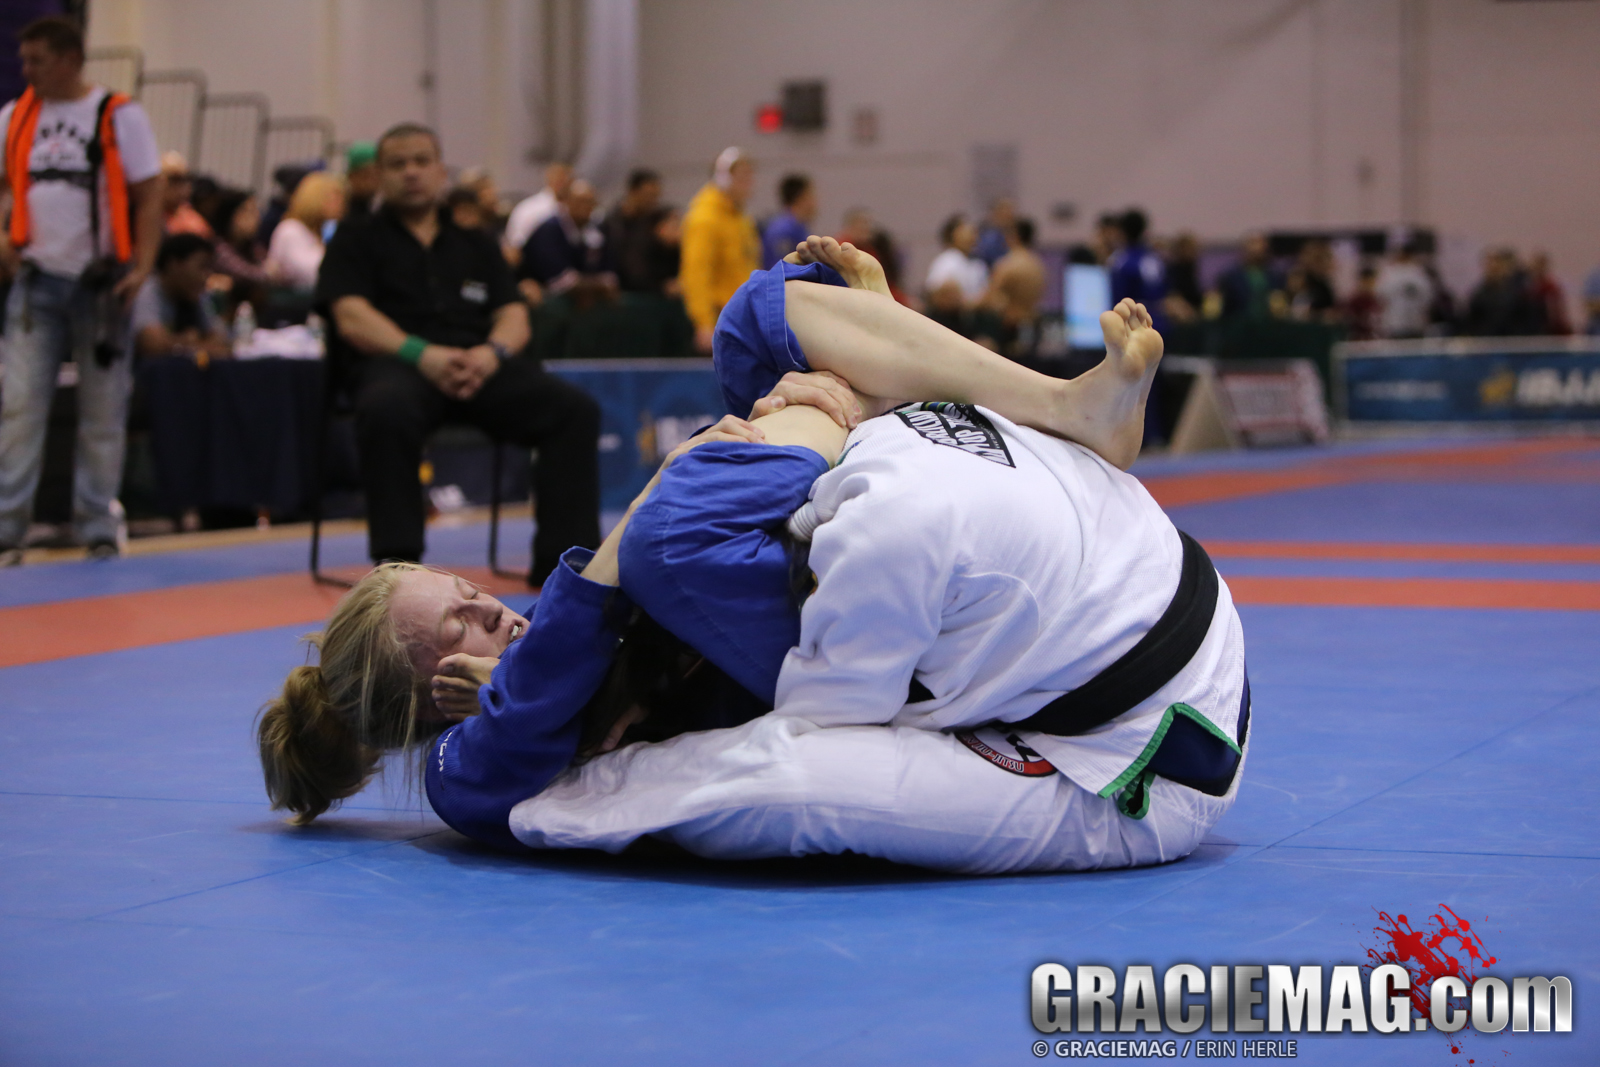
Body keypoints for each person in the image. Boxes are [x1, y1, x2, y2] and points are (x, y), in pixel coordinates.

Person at [259, 239, 1226, 868]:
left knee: (754, 321)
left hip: (767, 580)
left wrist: (726, 450)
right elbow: (615, 589)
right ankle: (865, 391)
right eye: (458, 627)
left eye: (467, 590)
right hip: (776, 626)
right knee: (665, 539)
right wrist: (694, 471)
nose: (488, 609)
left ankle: (1057, 402)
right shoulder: (460, 769)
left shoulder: (516, 667)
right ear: (426, 698)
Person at [314, 121, 600, 584]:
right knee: (386, 410)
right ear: (379, 176)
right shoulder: (354, 238)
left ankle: (564, 567)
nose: (411, 172)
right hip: (397, 367)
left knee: (573, 411)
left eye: (421, 161)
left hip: (477, 367)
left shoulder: (475, 242)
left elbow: (514, 314)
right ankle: (399, 569)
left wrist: (491, 353)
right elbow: (350, 315)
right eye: (398, 164)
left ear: (441, 171)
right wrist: (422, 354)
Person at [0, 15, 163, 564]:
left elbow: (149, 194)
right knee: (20, 407)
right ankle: (6, 529)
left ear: (70, 59)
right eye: (24, 59)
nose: (26, 70)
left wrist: (143, 267)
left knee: (102, 411)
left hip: (102, 284)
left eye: (37, 60)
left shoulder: (117, 115)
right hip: (35, 280)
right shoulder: (15, 117)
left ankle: (97, 525)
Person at [680, 146, 759, 353]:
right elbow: (696, 273)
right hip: (719, 319)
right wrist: (704, 322)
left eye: (750, 176)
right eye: (742, 177)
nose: (749, 183)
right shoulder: (704, 218)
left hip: (742, 316)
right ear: (723, 179)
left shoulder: (741, 219)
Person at [130, 233, 230, 362]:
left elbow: (220, 340)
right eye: (202, 267)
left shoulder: (198, 295)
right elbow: (151, 344)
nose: (206, 277)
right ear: (174, 264)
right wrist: (186, 343)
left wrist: (182, 344)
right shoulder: (147, 291)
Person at [517, 177, 615, 305]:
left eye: (590, 202)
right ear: (566, 202)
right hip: (541, 302)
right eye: (580, 202)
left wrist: (589, 287)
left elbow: (609, 275)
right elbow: (561, 281)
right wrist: (596, 286)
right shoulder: (549, 230)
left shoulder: (595, 231)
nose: (585, 207)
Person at [265, 170, 344, 292]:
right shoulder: (290, 229)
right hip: (291, 301)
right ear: (314, 199)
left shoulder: (322, 233)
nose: (341, 206)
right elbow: (310, 275)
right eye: (334, 200)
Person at [604, 167, 676, 295]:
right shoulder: (611, 224)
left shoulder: (656, 222)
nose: (652, 201)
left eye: (656, 196)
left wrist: (671, 246)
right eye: (648, 195)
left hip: (649, 296)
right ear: (632, 191)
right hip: (624, 295)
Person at [985, 217, 1045, 358]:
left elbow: (989, 297)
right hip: (1033, 325)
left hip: (1012, 328)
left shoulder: (1008, 265)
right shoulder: (1038, 266)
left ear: (1014, 236)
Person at [204, 189, 269, 313]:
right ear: (230, 214)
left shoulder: (254, 247)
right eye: (247, 211)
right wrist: (270, 272)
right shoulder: (218, 247)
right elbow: (254, 274)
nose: (256, 217)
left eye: (256, 211)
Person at [1107, 209, 1165, 326]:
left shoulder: (1119, 261)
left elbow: (1115, 295)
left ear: (1122, 232)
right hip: (1156, 322)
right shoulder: (1155, 259)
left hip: (1130, 323)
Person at [1464, 248, 1541, 337]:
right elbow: (1472, 322)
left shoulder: (1519, 294)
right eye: (1490, 267)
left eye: (1497, 267)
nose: (1494, 270)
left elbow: (1529, 321)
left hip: (1513, 341)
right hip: (1486, 340)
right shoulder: (1479, 295)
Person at [504, 162, 573, 254]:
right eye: (561, 178)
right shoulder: (528, 209)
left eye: (568, 178)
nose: (564, 182)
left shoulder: (576, 211)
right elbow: (515, 246)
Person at [924, 214, 987, 311]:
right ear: (954, 235)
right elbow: (934, 293)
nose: (972, 237)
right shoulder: (947, 260)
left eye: (973, 232)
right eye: (966, 232)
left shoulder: (978, 264)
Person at [1374, 238, 1434, 339]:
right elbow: (1380, 294)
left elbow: (1427, 294)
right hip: (1394, 321)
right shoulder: (1389, 272)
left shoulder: (1418, 271)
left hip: (1415, 320)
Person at [1215, 234, 1281, 321]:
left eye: (1261, 248)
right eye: (1253, 245)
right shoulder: (1230, 277)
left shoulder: (1275, 276)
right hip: (1239, 323)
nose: (1257, 250)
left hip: (1268, 323)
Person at [761, 173, 815, 269]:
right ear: (801, 198)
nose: (815, 203)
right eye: (811, 196)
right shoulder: (781, 231)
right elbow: (777, 268)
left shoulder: (799, 227)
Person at [159, 151, 211, 237]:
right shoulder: (144, 215)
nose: (182, 187)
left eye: (185, 180)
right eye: (174, 180)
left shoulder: (194, 226)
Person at [1526, 251, 1570, 336]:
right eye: (1536, 265)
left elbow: (1556, 312)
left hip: (1548, 329)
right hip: (1530, 329)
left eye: (1541, 265)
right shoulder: (1526, 288)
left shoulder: (1551, 287)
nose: (1538, 268)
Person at [1162, 233, 1203, 323]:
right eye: (1188, 249)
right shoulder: (1172, 271)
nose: (1192, 252)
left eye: (1193, 249)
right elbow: (1172, 296)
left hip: (1196, 313)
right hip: (1180, 315)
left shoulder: (1192, 269)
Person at [342, 141, 379, 223]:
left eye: (377, 175)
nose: (374, 181)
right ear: (351, 177)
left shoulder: (377, 210)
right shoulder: (341, 213)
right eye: (366, 175)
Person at [974, 197, 1016, 268]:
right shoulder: (988, 239)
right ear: (995, 214)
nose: (1008, 218)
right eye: (1004, 214)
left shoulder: (1015, 237)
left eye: (1010, 214)